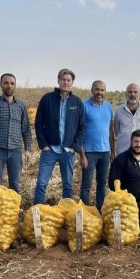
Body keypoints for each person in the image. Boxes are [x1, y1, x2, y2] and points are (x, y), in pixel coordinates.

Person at [32, 68, 86, 205]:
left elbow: (82, 127)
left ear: (72, 83)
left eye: (68, 80)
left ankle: (66, 211)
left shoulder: (77, 102)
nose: (66, 82)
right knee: (41, 183)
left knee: (67, 185)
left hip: (67, 151)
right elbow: (38, 123)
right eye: (63, 79)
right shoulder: (47, 99)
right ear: (58, 81)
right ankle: (37, 212)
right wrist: (43, 145)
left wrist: (74, 147)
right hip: (50, 149)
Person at [0, 72, 33, 192]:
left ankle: (14, 204)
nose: (9, 86)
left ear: (15, 85)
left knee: (15, 185)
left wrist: (28, 150)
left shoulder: (21, 106)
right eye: (6, 83)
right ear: (1, 84)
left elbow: (26, 129)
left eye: (12, 83)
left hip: (16, 150)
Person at [79, 80, 115, 210]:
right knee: (86, 184)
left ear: (105, 92)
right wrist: (82, 155)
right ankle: (84, 211)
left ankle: (100, 209)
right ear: (92, 90)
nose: (99, 92)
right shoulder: (84, 106)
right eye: (97, 89)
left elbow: (111, 131)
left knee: (102, 183)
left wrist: (113, 151)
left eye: (102, 90)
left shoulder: (108, 107)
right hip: (89, 152)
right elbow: (79, 131)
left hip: (105, 152)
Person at [112, 83, 140, 156]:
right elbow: (116, 131)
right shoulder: (119, 110)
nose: (133, 94)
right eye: (130, 92)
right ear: (126, 94)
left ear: (139, 94)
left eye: (135, 92)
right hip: (123, 152)